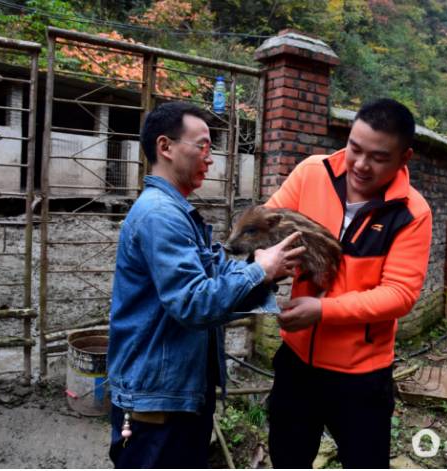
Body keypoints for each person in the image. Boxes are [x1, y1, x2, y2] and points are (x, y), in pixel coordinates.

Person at [107, 101, 304, 468]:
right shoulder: (160, 216)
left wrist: (267, 273)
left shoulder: (179, 213)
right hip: (156, 403)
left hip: (176, 393)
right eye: (202, 146)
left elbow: (214, 284)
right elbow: (194, 303)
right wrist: (258, 272)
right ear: (165, 147)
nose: (209, 157)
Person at [266, 98, 433, 468]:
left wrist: (322, 310)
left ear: (404, 158)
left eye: (378, 157)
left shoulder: (411, 212)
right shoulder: (312, 173)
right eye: (354, 148)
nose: (359, 164)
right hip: (297, 364)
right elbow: (270, 224)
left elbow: (399, 295)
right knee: (287, 459)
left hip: (361, 376)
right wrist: (266, 265)